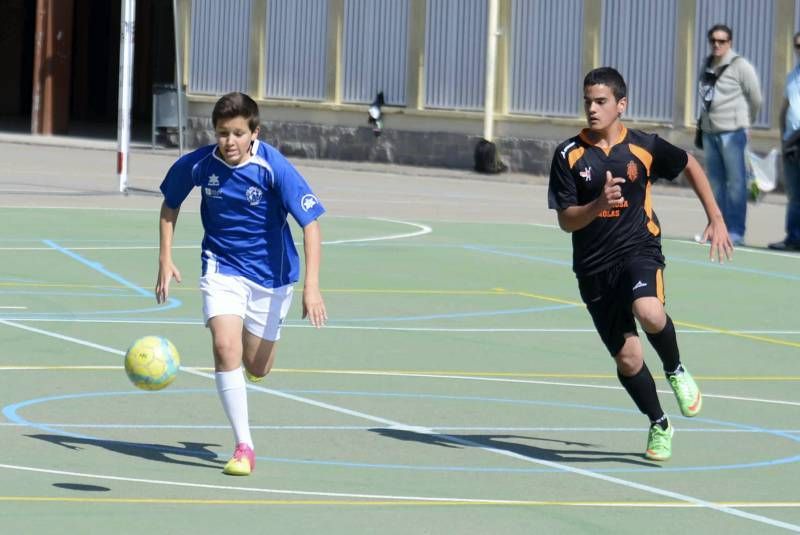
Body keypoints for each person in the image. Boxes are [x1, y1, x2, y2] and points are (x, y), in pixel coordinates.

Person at [548, 67, 733, 461]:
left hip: (639, 250)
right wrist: (599, 204)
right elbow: (566, 220)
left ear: (621, 105)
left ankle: (676, 368)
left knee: (649, 311)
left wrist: (715, 216)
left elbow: (690, 165)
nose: (592, 109)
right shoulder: (569, 155)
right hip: (594, 268)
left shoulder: (644, 147)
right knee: (629, 358)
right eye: (587, 102)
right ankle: (659, 423)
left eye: (601, 102)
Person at [155, 92, 327, 476]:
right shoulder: (200, 164)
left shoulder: (273, 166)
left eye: (236, 133)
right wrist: (165, 257)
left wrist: (311, 287)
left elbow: (311, 226)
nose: (229, 142)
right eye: (221, 133)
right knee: (223, 345)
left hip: (272, 277)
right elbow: (170, 204)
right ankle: (244, 445)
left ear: (254, 132)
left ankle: (250, 367)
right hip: (222, 267)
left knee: (259, 366)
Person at [698, 24, 762, 246]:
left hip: (733, 133)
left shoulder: (740, 65)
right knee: (715, 184)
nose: (717, 44)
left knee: (736, 184)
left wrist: (745, 123)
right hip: (710, 132)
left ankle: (735, 232)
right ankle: (716, 229)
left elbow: (755, 98)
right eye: (713, 40)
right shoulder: (707, 64)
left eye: (722, 41)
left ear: (730, 43)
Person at [768, 31, 800, 252]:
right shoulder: (792, 75)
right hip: (792, 141)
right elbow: (785, 108)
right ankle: (793, 237)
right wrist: (783, 137)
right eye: (798, 46)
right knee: (794, 193)